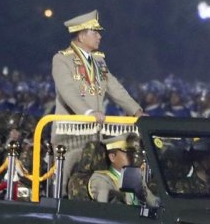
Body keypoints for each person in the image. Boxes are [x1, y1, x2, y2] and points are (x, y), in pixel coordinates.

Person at [50, 10, 143, 183]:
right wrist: (88, 112)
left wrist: (136, 111)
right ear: (81, 36)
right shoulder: (62, 59)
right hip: (71, 134)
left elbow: (115, 88)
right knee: (65, 179)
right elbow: (67, 91)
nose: (99, 36)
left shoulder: (99, 61)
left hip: (95, 133)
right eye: (95, 32)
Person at [87, 134, 139, 204]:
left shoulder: (133, 176)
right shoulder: (101, 179)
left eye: (133, 152)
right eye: (127, 152)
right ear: (112, 157)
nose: (132, 156)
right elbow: (107, 209)